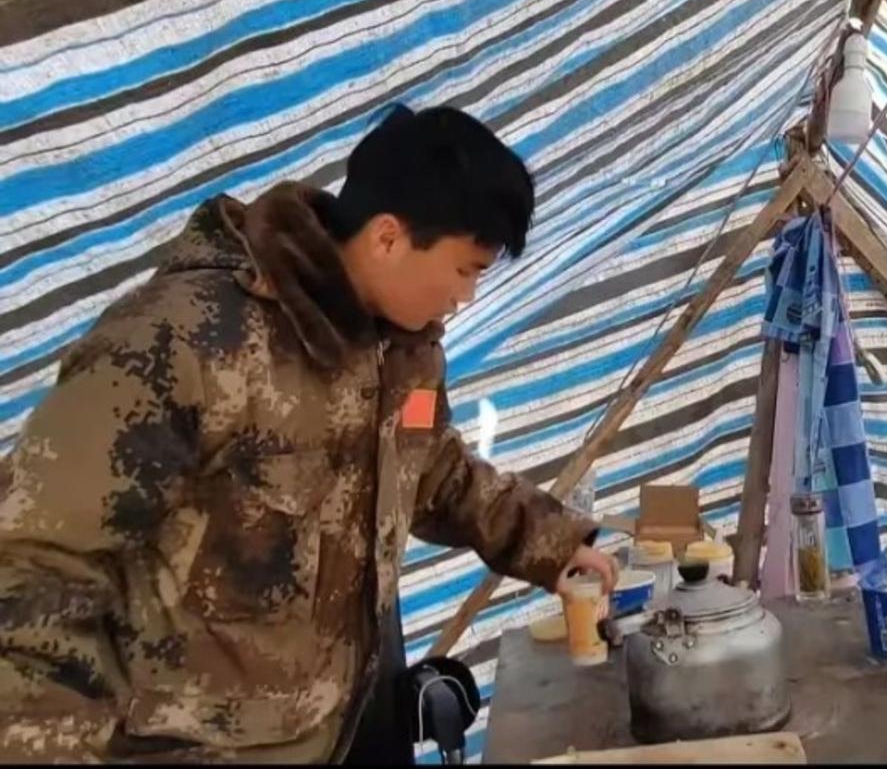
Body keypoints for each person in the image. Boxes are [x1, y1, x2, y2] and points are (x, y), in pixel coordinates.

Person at [0, 105, 618, 762]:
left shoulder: (402, 355)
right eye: (465, 270)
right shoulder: (185, 342)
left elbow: (434, 472)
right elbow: (35, 562)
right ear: (387, 238)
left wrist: (553, 545)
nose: (464, 297)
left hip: (329, 739)